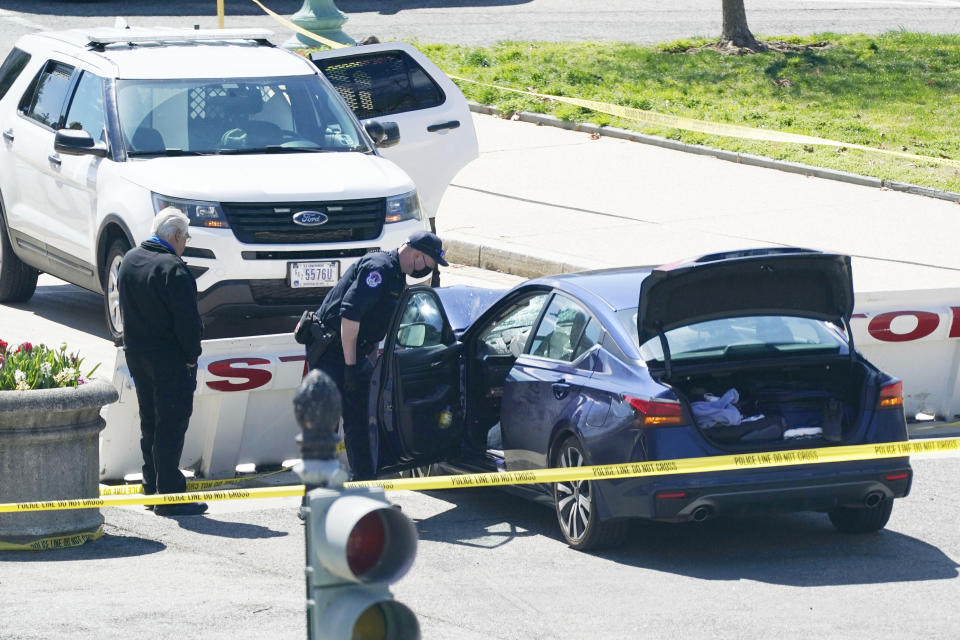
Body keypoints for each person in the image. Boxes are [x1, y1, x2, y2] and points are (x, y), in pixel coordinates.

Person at [302, 230, 448, 480]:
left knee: (358, 426)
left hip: (352, 354)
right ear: (417, 254)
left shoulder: (396, 276)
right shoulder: (378, 269)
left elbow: (376, 323)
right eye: (429, 264)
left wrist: (368, 358)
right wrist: (350, 366)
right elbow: (350, 317)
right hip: (332, 352)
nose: (427, 271)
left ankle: (363, 490)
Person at [118, 207, 206, 516]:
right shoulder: (173, 270)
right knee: (171, 425)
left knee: (150, 421)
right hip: (169, 361)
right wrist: (192, 358)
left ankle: (151, 486)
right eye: (186, 237)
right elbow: (188, 323)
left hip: (137, 355)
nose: (186, 243)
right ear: (177, 236)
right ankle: (170, 494)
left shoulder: (129, 260)